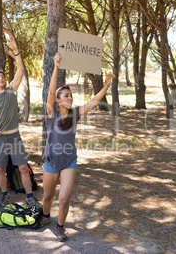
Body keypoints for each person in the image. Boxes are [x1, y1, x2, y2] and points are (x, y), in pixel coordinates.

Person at [41, 53, 114, 242]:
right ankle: (46, 216)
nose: (70, 98)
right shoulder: (51, 111)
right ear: (58, 100)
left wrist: (106, 84)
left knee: (64, 198)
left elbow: (94, 101)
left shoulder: (75, 113)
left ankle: (60, 227)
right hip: (51, 161)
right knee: (48, 197)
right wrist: (56, 66)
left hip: (69, 161)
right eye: (66, 96)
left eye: (71, 96)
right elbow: (50, 92)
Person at [0, 30, 41, 209]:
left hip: (14, 137)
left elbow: (21, 69)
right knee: (0, 169)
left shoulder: (10, 91)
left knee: (23, 167)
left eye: (3, 76)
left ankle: (30, 196)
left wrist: (16, 52)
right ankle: (4, 196)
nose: (1, 78)